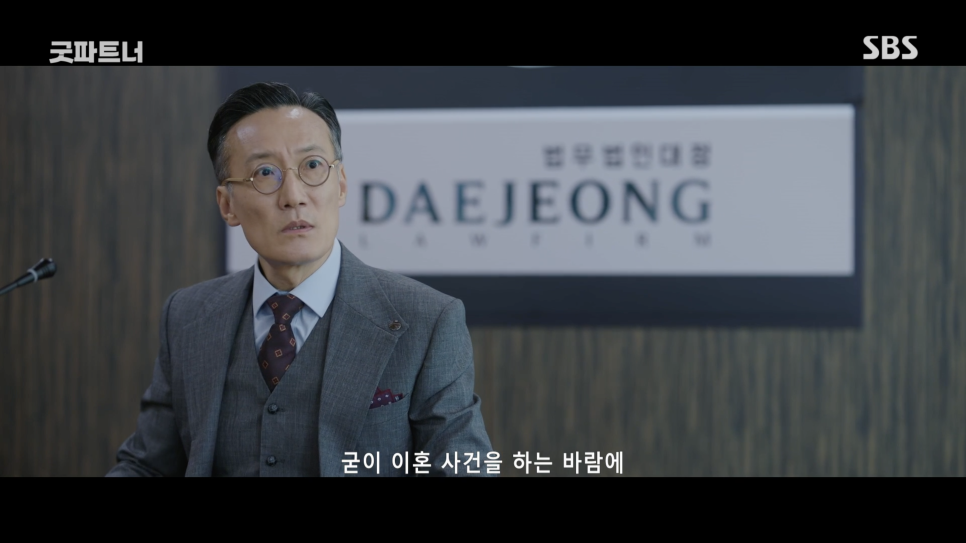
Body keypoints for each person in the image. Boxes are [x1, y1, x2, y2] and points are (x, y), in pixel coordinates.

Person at [107, 82, 493, 476]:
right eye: (265, 173)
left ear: (340, 184)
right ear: (227, 205)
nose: (293, 196)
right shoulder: (188, 317)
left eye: (312, 166)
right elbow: (148, 466)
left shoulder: (427, 320)